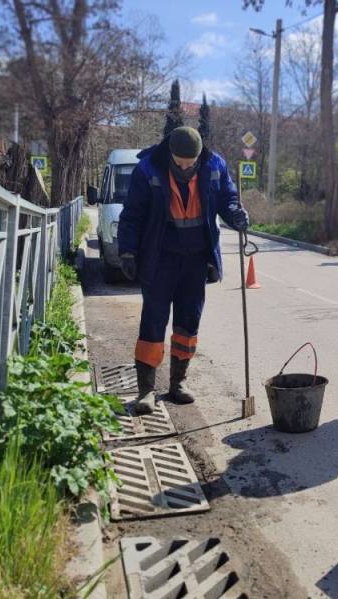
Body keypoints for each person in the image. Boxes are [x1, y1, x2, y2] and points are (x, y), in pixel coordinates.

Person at [117, 126, 249, 413]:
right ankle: (146, 390)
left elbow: (227, 198)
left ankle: (178, 383)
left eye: (191, 163)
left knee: (188, 323)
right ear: (170, 154)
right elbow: (132, 214)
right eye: (180, 163)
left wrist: (236, 214)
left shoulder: (215, 166)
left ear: (200, 155)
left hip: (196, 260)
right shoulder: (148, 168)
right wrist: (127, 251)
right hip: (159, 259)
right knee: (153, 322)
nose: (186, 168)